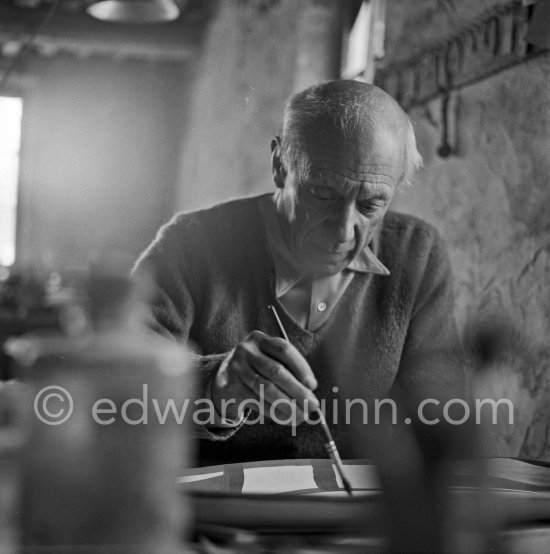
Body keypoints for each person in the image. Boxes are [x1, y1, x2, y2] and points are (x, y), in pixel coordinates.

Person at [133, 80, 466, 466]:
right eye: (323, 194)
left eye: (371, 205)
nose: (343, 231)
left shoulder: (417, 254)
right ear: (280, 164)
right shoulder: (191, 243)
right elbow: (118, 385)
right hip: (214, 508)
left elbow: (442, 417)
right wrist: (214, 387)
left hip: (351, 514)